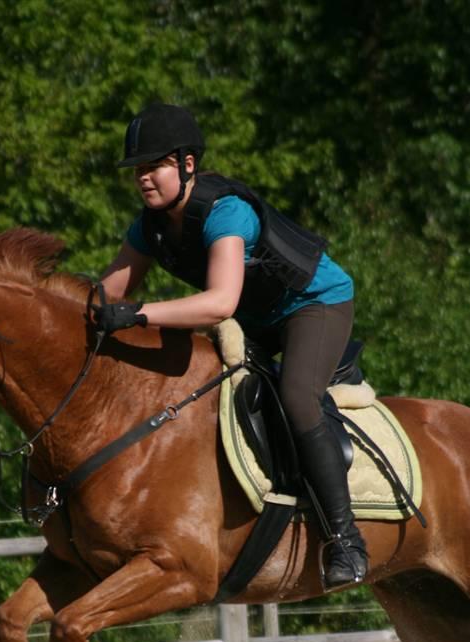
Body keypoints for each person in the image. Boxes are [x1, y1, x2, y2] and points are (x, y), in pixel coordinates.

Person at [95, 102, 367, 588]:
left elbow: (219, 303)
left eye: (154, 166)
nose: (143, 178)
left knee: (297, 398)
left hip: (312, 306)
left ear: (187, 164)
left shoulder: (226, 212)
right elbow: (105, 296)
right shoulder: (149, 226)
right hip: (255, 317)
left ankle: (346, 541)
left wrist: (139, 314)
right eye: (138, 170)